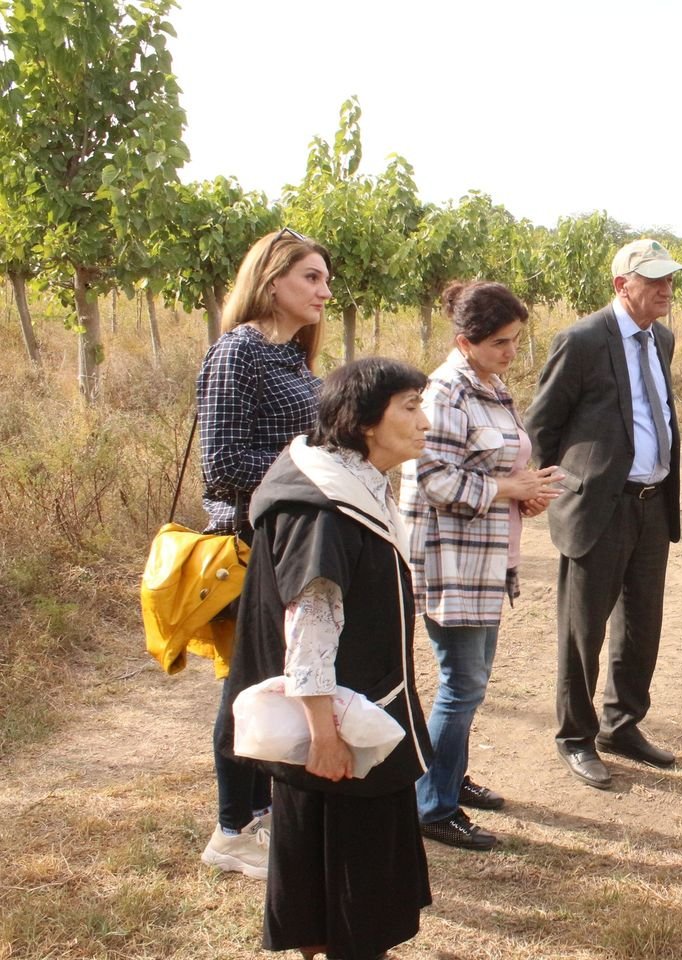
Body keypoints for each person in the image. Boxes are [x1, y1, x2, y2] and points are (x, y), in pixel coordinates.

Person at [218, 357, 436, 960]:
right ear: (367, 422)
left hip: (355, 708)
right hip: (336, 724)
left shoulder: (351, 481)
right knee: (344, 875)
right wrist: (324, 735)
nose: (425, 421)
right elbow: (309, 629)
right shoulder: (324, 509)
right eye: (411, 407)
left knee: (336, 869)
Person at [399, 280, 563, 850]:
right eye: (500, 342)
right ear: (465, 340)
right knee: (461, 682)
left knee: (470, 682)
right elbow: (431, 477)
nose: (511, 352)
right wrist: (505, 487)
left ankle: (448, 776)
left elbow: (496, 466)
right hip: (451, 558)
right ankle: (433, 805)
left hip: (486, 556)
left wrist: (525, 493)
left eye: (515, 340)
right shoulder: (445, 392)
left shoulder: (489, 385)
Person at [525, 238, 682, 789]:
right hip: (598, 506)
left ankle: (623, 724)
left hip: (652, 503)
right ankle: (575, 736)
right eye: (655, 280)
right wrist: (542, 490)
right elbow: (542, 426)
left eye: (670, 280)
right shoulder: (583, 340)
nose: (666, 289)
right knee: (583, 630)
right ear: (623, 285)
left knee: (642, 624)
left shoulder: (661, 337)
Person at [195, 227, 331, 879]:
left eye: (326, 279)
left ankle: (259, 813)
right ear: (271, 280)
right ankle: (229, 830)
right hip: (249, 542)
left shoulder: (292, 356)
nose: (323, 291)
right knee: (243, 687)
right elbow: (221, 466)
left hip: (288, 537)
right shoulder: (239, 352)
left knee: (274, 681)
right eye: (310, 277)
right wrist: (307, 472)